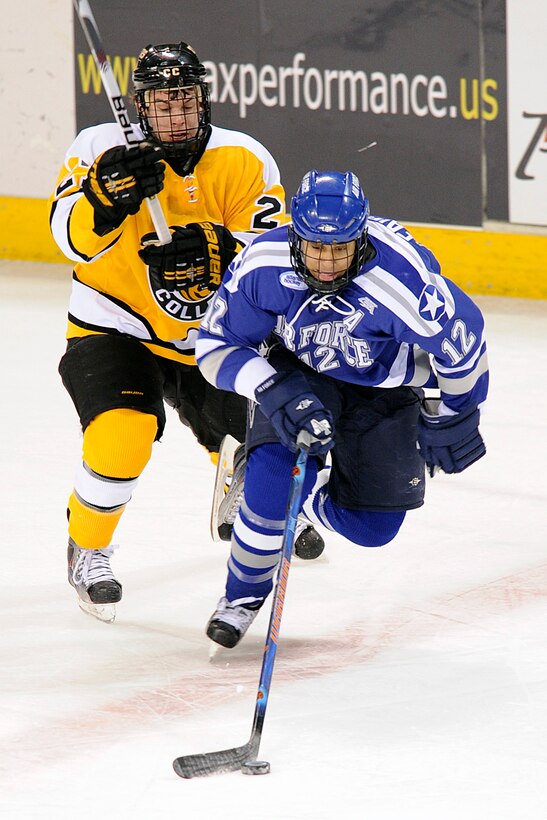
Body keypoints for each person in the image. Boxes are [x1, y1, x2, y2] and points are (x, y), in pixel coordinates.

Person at [47, 42, 322, 622]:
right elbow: (69, 241)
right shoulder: (100, 148)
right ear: (140, 107)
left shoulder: (243, 159)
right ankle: (89, 547)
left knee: (252, 435)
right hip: (113, 321)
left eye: (185, 101)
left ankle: (248, 497)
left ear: (204, 101)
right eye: (161, 103)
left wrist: (220, 248)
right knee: (122, 436)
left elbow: (277, 258)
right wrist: (105, 197)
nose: (175, 116)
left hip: (211, 331)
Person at [195, 169, 489, 648]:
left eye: (339, 249)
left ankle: (306, 501)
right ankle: (241, 596)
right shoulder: (264, 265)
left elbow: (464, 343)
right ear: (295, 236)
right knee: (273, 488)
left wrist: (456, 412)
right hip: (301, 374)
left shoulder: (401, 282)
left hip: (385, 391)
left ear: (361, 237)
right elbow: (213, 346)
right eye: (314, 247)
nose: (327, 263)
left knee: (374, 529)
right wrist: (271, 389)